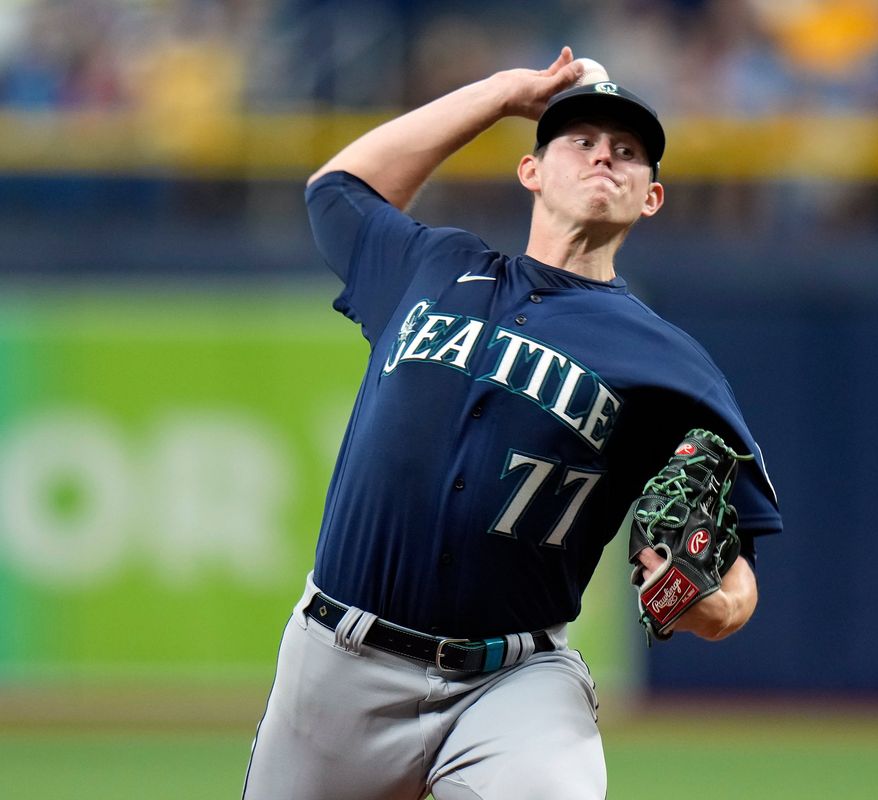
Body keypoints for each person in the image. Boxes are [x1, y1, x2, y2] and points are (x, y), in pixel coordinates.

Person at [242, 47, 783, 800]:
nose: (605, 156)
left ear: (650, 198)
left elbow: (739, 567)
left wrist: (712, 606)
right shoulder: (433, 266)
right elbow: (336, 190)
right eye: (581, 141)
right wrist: (499, 95)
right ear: (531, 172)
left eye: (627, 152)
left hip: (515, 683)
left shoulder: (672, 364)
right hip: (338, 663)